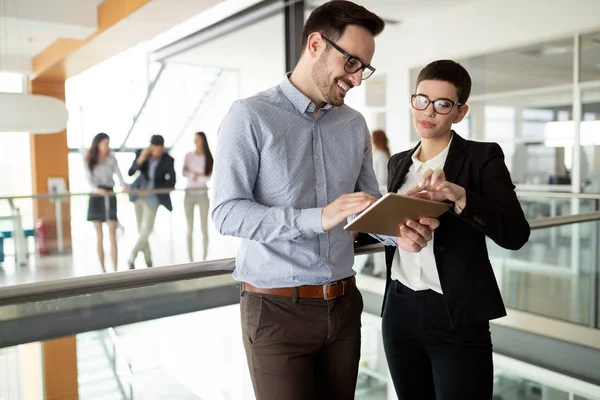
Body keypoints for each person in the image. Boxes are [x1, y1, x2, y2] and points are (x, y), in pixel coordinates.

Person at [211, 2, 439, 399]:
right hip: (275, 311)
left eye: (364, 68)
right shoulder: (249, 116)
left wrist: (399, 227)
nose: (356, 78)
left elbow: (365, 209)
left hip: (345, 305)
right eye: (351, 63)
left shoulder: (353, 125)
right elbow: (227, 212)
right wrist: (319, 217)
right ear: (316, 44)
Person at [381, 60, 531, 400]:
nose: (428, 111)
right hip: (399, 311)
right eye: (421, 99)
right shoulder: (398, 162)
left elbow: (515, 234)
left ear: (459, 112)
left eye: (442, 104)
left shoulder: (482, 158)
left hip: (456, 314)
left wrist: (460, 196)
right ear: (412, 100)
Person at [127, 135, 176, 268]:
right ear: (150, 147)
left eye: (160, 151)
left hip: (153, 198)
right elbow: (130, 172)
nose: (157, 154)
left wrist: (153, 189)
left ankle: (132, 256)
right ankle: (149, 260)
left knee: (146, 230)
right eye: (155, 151)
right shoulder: (141, 154)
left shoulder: (168, 160)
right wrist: (141, 159)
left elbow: (172, 182)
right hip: (138, 198)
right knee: (141, 231)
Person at [85, 132, 129, 272]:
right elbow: (88, 181)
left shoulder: (111, 159)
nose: (106, 147)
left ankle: (115, 270)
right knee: (99, 235)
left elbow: (119, 175)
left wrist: (124, 186)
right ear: (97, 144)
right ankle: (103, 270)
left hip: (110, 194)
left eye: (108, 144)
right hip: (96, 195)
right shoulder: (89, 159)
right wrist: (98, 190)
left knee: (112, 234)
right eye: (104, 143)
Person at [361, 129, 391, 277]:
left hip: (377, 198)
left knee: (378, 233)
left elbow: (377, 181)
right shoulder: (384, 154)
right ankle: (377, 268)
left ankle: (379, 269)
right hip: (380, 197)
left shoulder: (379, 156)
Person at [183, 131, 213, 261]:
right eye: (194, 140)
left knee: (204, 226)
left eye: (198, 140)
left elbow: (208, 178)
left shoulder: (208, 158)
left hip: (202, 195)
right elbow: (184, 172)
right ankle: (190, 258)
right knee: (190, 227)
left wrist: (195, 175)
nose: (196, 142)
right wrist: (197, 175)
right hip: (189, 195)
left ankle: (205, 256)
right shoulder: (188, 156)